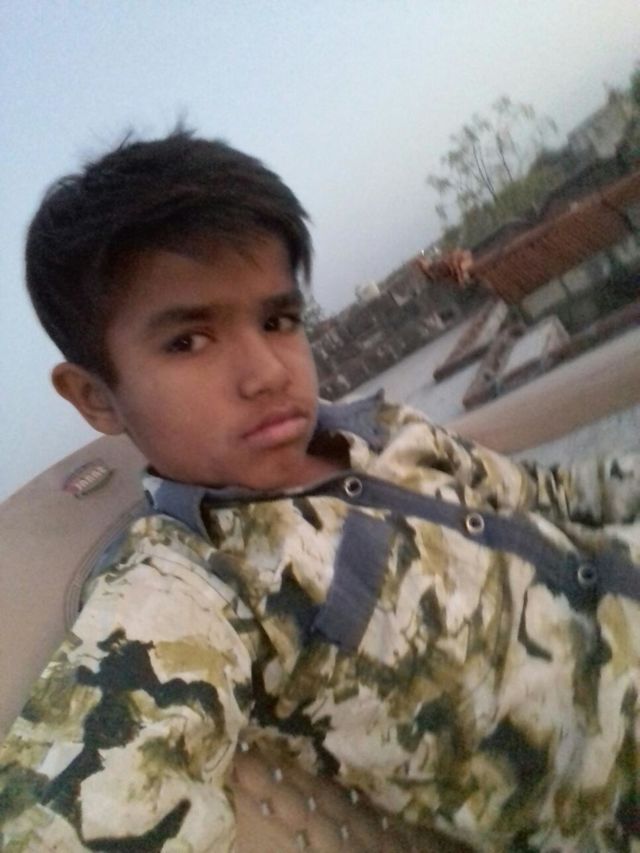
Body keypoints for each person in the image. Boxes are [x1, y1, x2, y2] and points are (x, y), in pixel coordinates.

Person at [1, 129, 639, 853]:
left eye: (278, 320)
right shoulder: (193, 588)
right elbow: (68, 817)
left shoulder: (380, 428)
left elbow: (542, 494)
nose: (267, 372)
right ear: (94, 396)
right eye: (188, 341)